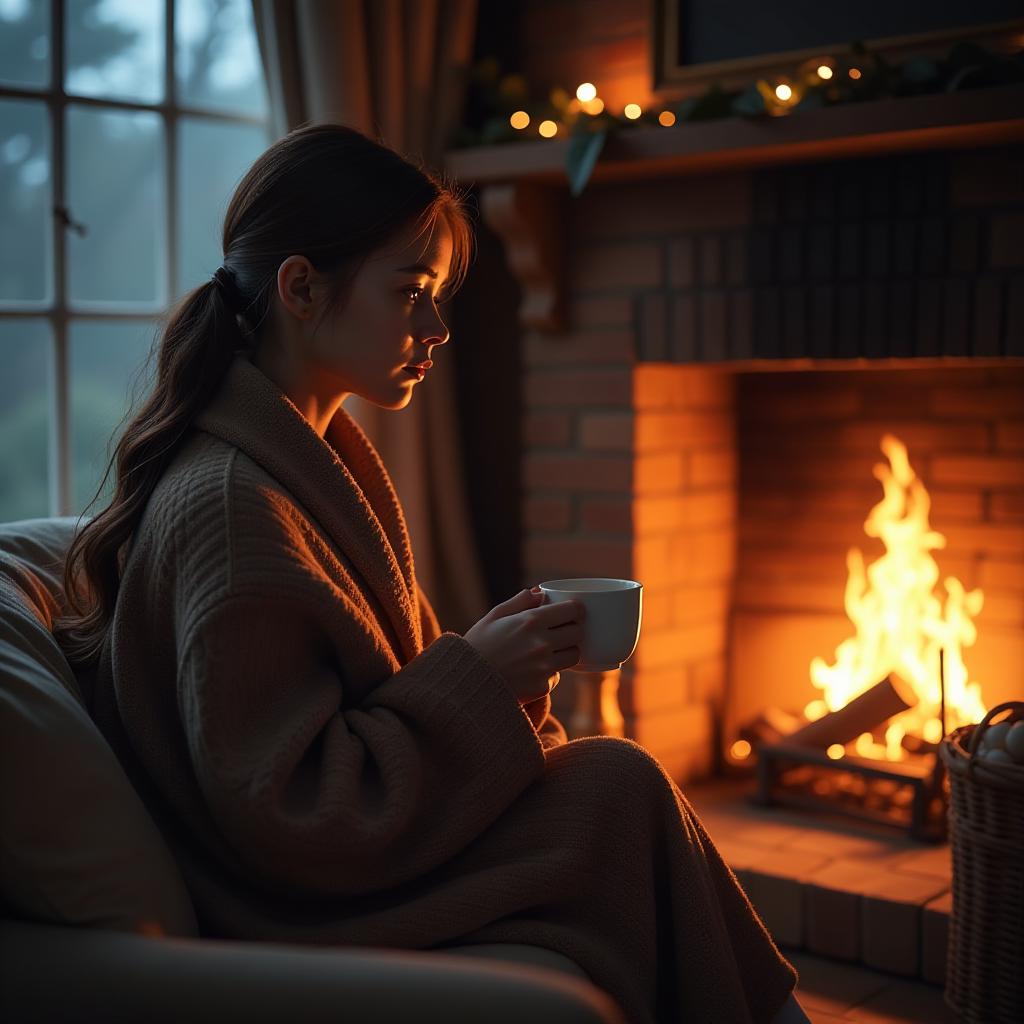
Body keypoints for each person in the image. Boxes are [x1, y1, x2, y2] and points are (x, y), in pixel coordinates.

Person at [56, 124, 807, 1024]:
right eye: (411, 293)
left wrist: (489, 669)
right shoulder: (231, 504)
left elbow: (373, 701)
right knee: (616, 786)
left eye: (437, 296)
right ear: (301, 288)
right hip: (292, 903)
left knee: (616, 787)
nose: (438, 328)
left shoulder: (307, 457)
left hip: (357, 859)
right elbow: (286, 809)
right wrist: (480, 680)